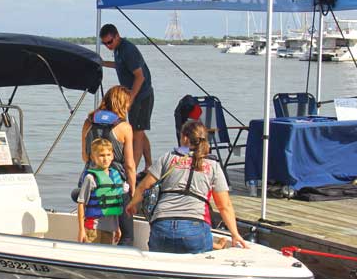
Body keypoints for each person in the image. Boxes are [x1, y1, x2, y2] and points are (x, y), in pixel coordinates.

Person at [126, 120, 247, 254]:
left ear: (184, 138)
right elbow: (224, 206)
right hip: (194, 229)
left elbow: (143, 186)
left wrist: (132, 204)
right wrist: (235, 234)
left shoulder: (168, 158)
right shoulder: (213, 165)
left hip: (162, 225)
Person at [81, 85, 136, 246]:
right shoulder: (125, 127)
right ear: (121, 103)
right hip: (115, 183)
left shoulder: (88, 122)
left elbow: (85, 156)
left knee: (95, 227)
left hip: (92, 180)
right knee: (127, 235)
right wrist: (133, 190)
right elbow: (130, 164)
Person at [99, 23, 153, 173]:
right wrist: (102, 63)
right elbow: (120, 66)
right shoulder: (117, 50)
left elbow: (140, 77)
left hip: (142, 95)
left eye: (110, 42)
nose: (108, 46)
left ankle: (132, 172)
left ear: (117, 36)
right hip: (133, 95)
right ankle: (149, 165)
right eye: (104, 43)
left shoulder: (128, 50)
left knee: (137, 133)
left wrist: (130, 99)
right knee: (139, 130)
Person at [77, 138, 125, 245]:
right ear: (93, 157)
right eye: (101, 155)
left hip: (109, 228)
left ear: (112, 156)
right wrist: (81, 230)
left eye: (108, 155)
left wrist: (117, 227)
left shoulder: (115, 176)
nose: (105, 159)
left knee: (105, 257)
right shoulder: (90, 178)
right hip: (93, 229)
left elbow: (113, 203)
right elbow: (81, 203)